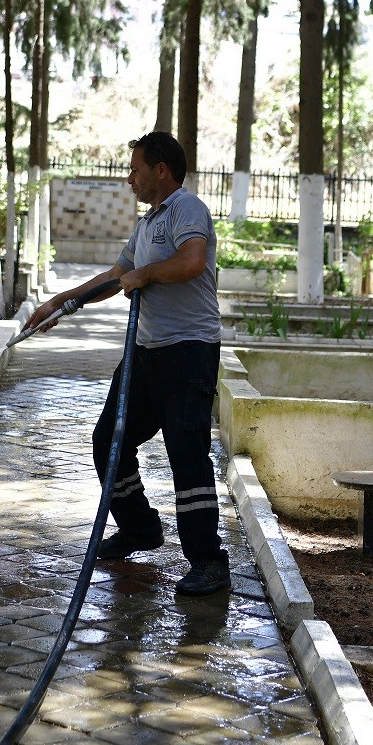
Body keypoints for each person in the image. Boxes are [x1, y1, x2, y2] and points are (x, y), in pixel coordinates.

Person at [23, 131, 230, 596]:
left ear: (161, 169)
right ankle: (140, 528)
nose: (129, 177)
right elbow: (116, 277)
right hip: (145, 353)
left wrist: (149, 273)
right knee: (109, 442)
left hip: (187, 351)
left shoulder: (187, 209)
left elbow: (193, 262)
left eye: (135, 168)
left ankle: (210, 561)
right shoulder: (147, 223)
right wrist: (57, 304)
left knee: (186, 453)